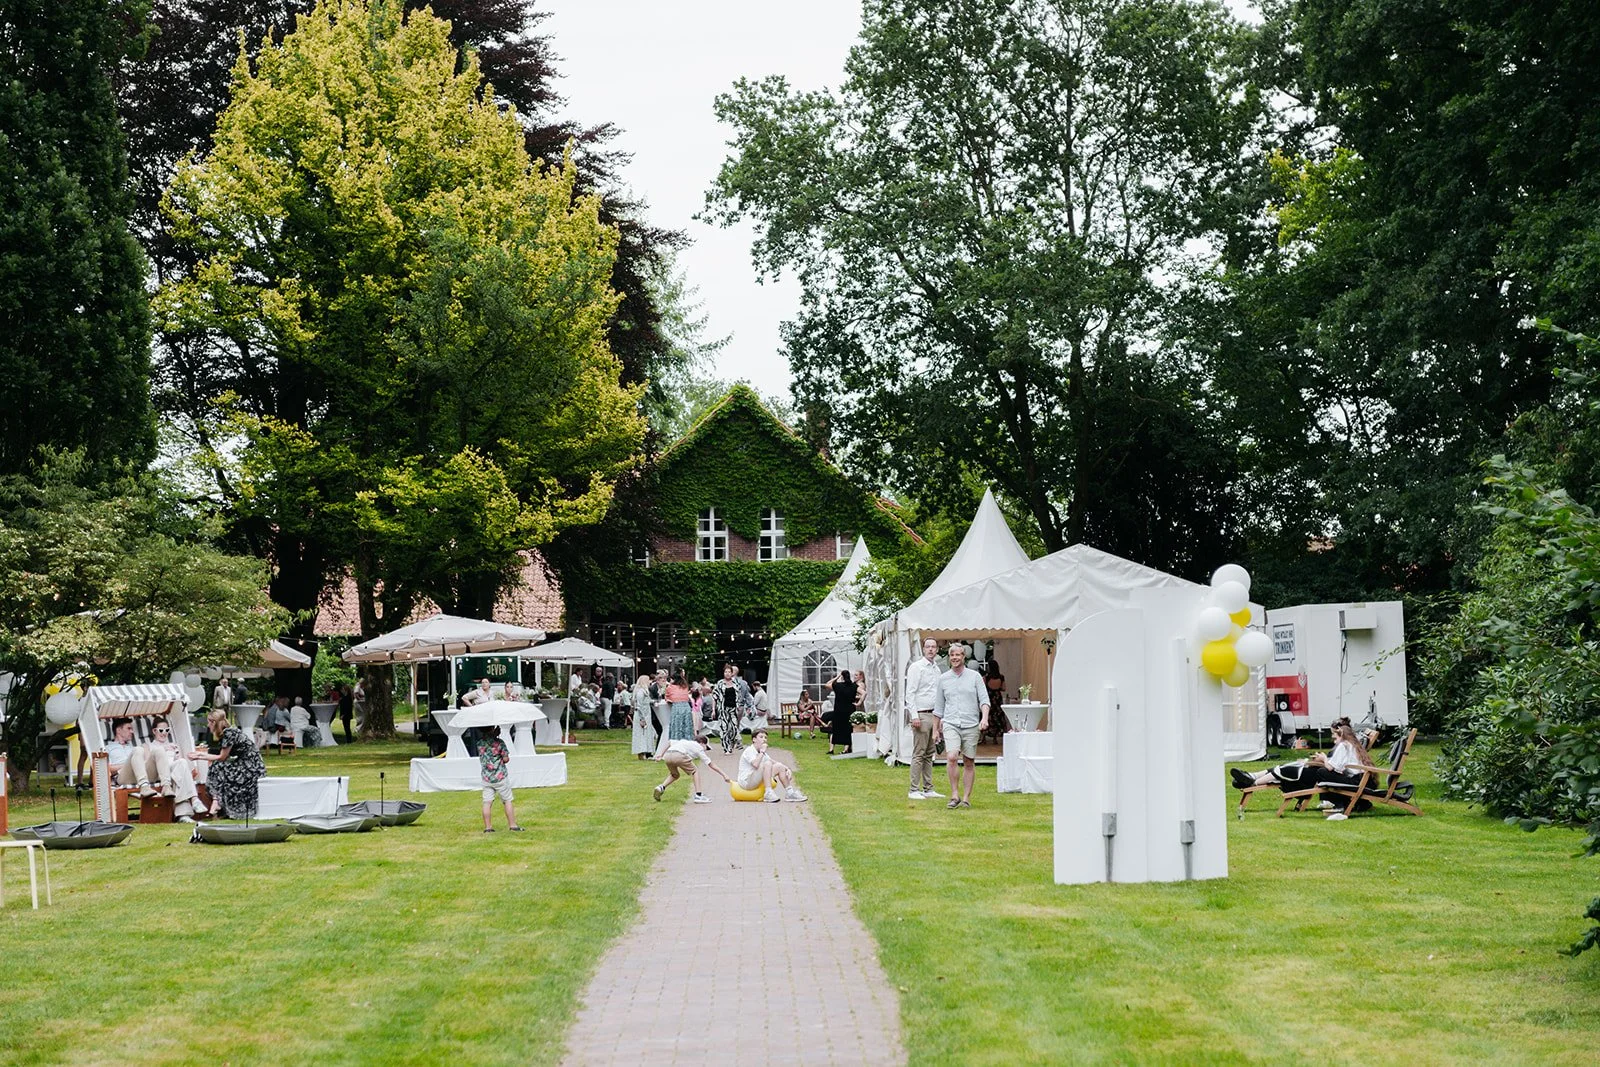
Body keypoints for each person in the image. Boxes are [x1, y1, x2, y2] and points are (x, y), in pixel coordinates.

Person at [1232, 724, 1370, 820]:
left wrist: (1323, 759)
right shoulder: (1349, 745)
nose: (1334, 741)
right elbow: (1338, 767)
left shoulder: (1344, 746)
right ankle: (1252, 777)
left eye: (1335, 737)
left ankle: (1252, 781)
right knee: (1291, 768)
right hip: (1354, 779)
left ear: (1342, 736)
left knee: (1303, 771)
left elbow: (1332, 768)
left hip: (1352, 781)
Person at [104, 717, 202, 820]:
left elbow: (146, 762)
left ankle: (166, 786)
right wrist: (129, 763)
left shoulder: (132, 747)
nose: (132, 732)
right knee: (137, 750)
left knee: (158, 751)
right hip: (123, 777)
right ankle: (144, 786)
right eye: (129, 728)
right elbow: (107, 768)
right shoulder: (108, 748)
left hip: (142, 773)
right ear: (118, 730)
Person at [935, 644, 989, 808]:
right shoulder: (944, 679)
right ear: (949, 657)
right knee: (951, 757)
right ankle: (954, 795)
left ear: (963, 657)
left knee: (968, 761)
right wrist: (935, 730)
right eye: (952, 655)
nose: (955, 658)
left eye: (958, 655)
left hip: (971, 723)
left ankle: (966, 797)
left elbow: (984, 700)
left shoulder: (974, 677)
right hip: (951, 723)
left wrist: (984, 718)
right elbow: (938, 707)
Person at [191, 709, 267, 818]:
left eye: (209, 722)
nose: (208, 725)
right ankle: (217, 801)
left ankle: (216, 801)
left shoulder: (228, 734)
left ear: (214, 723)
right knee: (219, 768)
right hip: (248, 764)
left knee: (216, 766)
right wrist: (201, 755)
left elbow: (222, 757)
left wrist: (199, 756)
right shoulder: (229, 731)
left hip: (252, 767)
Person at [904, 637, 944, 800]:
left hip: (934, 714)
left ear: (936, 650)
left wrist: (940, 718)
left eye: (933, 647)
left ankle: (928, 788)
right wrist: (914, 715)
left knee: (929, 753)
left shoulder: (937, 669)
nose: (931, 650)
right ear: (923, 649)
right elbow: (910, 693)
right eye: (928, 647)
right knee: (918, 753)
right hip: (921, 714)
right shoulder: (916, 667)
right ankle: (914, 789)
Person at [652, 735, 730, 803]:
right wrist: (724, 775)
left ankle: (661, 787)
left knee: (675, 775)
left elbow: (669, 742)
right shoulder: (699, 747)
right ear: (702, 743)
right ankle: (698, 795)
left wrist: (660, 755)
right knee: (695, 771)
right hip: (679, 754)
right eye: (706, 747)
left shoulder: (684, 742)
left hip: (668, 755)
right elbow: (711, 764)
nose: (706, 750)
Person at [738, 729, 807, 802]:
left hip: (756, 777)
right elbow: (755, 764)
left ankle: (790, 793)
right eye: (761, 737)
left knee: (779, 766)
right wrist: (762, 752)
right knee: (767, 763)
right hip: (747, 781)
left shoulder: (762, 752)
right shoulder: (749, 750)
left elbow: (773, 762)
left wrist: (787, 769)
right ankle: (768, 793)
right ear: (754, 739)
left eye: (765, 738)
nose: (764, 740)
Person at [477, 724, 523, 832]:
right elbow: (506, 759)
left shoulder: (479, 743)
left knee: (487, 802)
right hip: (500, 776)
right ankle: (512, 825)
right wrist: (496, 737)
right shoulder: (499, 743)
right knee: (507, 800)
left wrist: (492, 735)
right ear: (493, 728)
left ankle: (488, 827)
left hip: (486, 777)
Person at [713, 664, 747, 754]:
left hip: (733, 709)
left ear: (732, 673)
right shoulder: (720, 683)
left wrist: (739, 705)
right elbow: (715, 697)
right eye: (726, 672)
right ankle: (726, 748)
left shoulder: (736, 683)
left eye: (729, 672)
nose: (727, 674)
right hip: (723, 709)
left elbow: (739, 696)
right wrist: (713, 709)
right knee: (724, 728)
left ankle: (732, 743)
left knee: (733, 728)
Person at [823, 670, 857, 755]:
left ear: (842, 677)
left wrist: (837, 677)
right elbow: (864, 693)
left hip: (839, 710)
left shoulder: (838, 686)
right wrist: (859, 702)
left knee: (835, 729)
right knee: (848, 729)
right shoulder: (853, 686)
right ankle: (845, 749)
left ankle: (831, 749)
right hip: (849, 710)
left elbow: (827, 684)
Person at [631, 673, 657, 759]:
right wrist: (642, 719)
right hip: (641, 716)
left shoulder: (644, 691)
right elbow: (639, 706)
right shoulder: (640, 692)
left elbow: (647, 701)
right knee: (641, 734)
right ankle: (641, 752)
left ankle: (645, 751)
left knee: (646, 734)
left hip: (646, 715)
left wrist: (654, 702)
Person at [665, 669, 695, 741]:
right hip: (686, 707)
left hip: (677, 707)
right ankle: (688, 741)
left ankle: (676, 742)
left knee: (677, 726)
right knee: (687, 726)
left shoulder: (670, 687)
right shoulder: (685, 686)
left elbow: (667, 698)